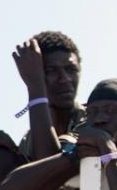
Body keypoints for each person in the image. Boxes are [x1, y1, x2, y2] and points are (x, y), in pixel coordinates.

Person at [13, 31, 85, 160]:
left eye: (71, 70)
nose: (65, 79)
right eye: (51, 71)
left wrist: (35, 86)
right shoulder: (28, 141)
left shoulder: (92, 119)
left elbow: (49, 161)